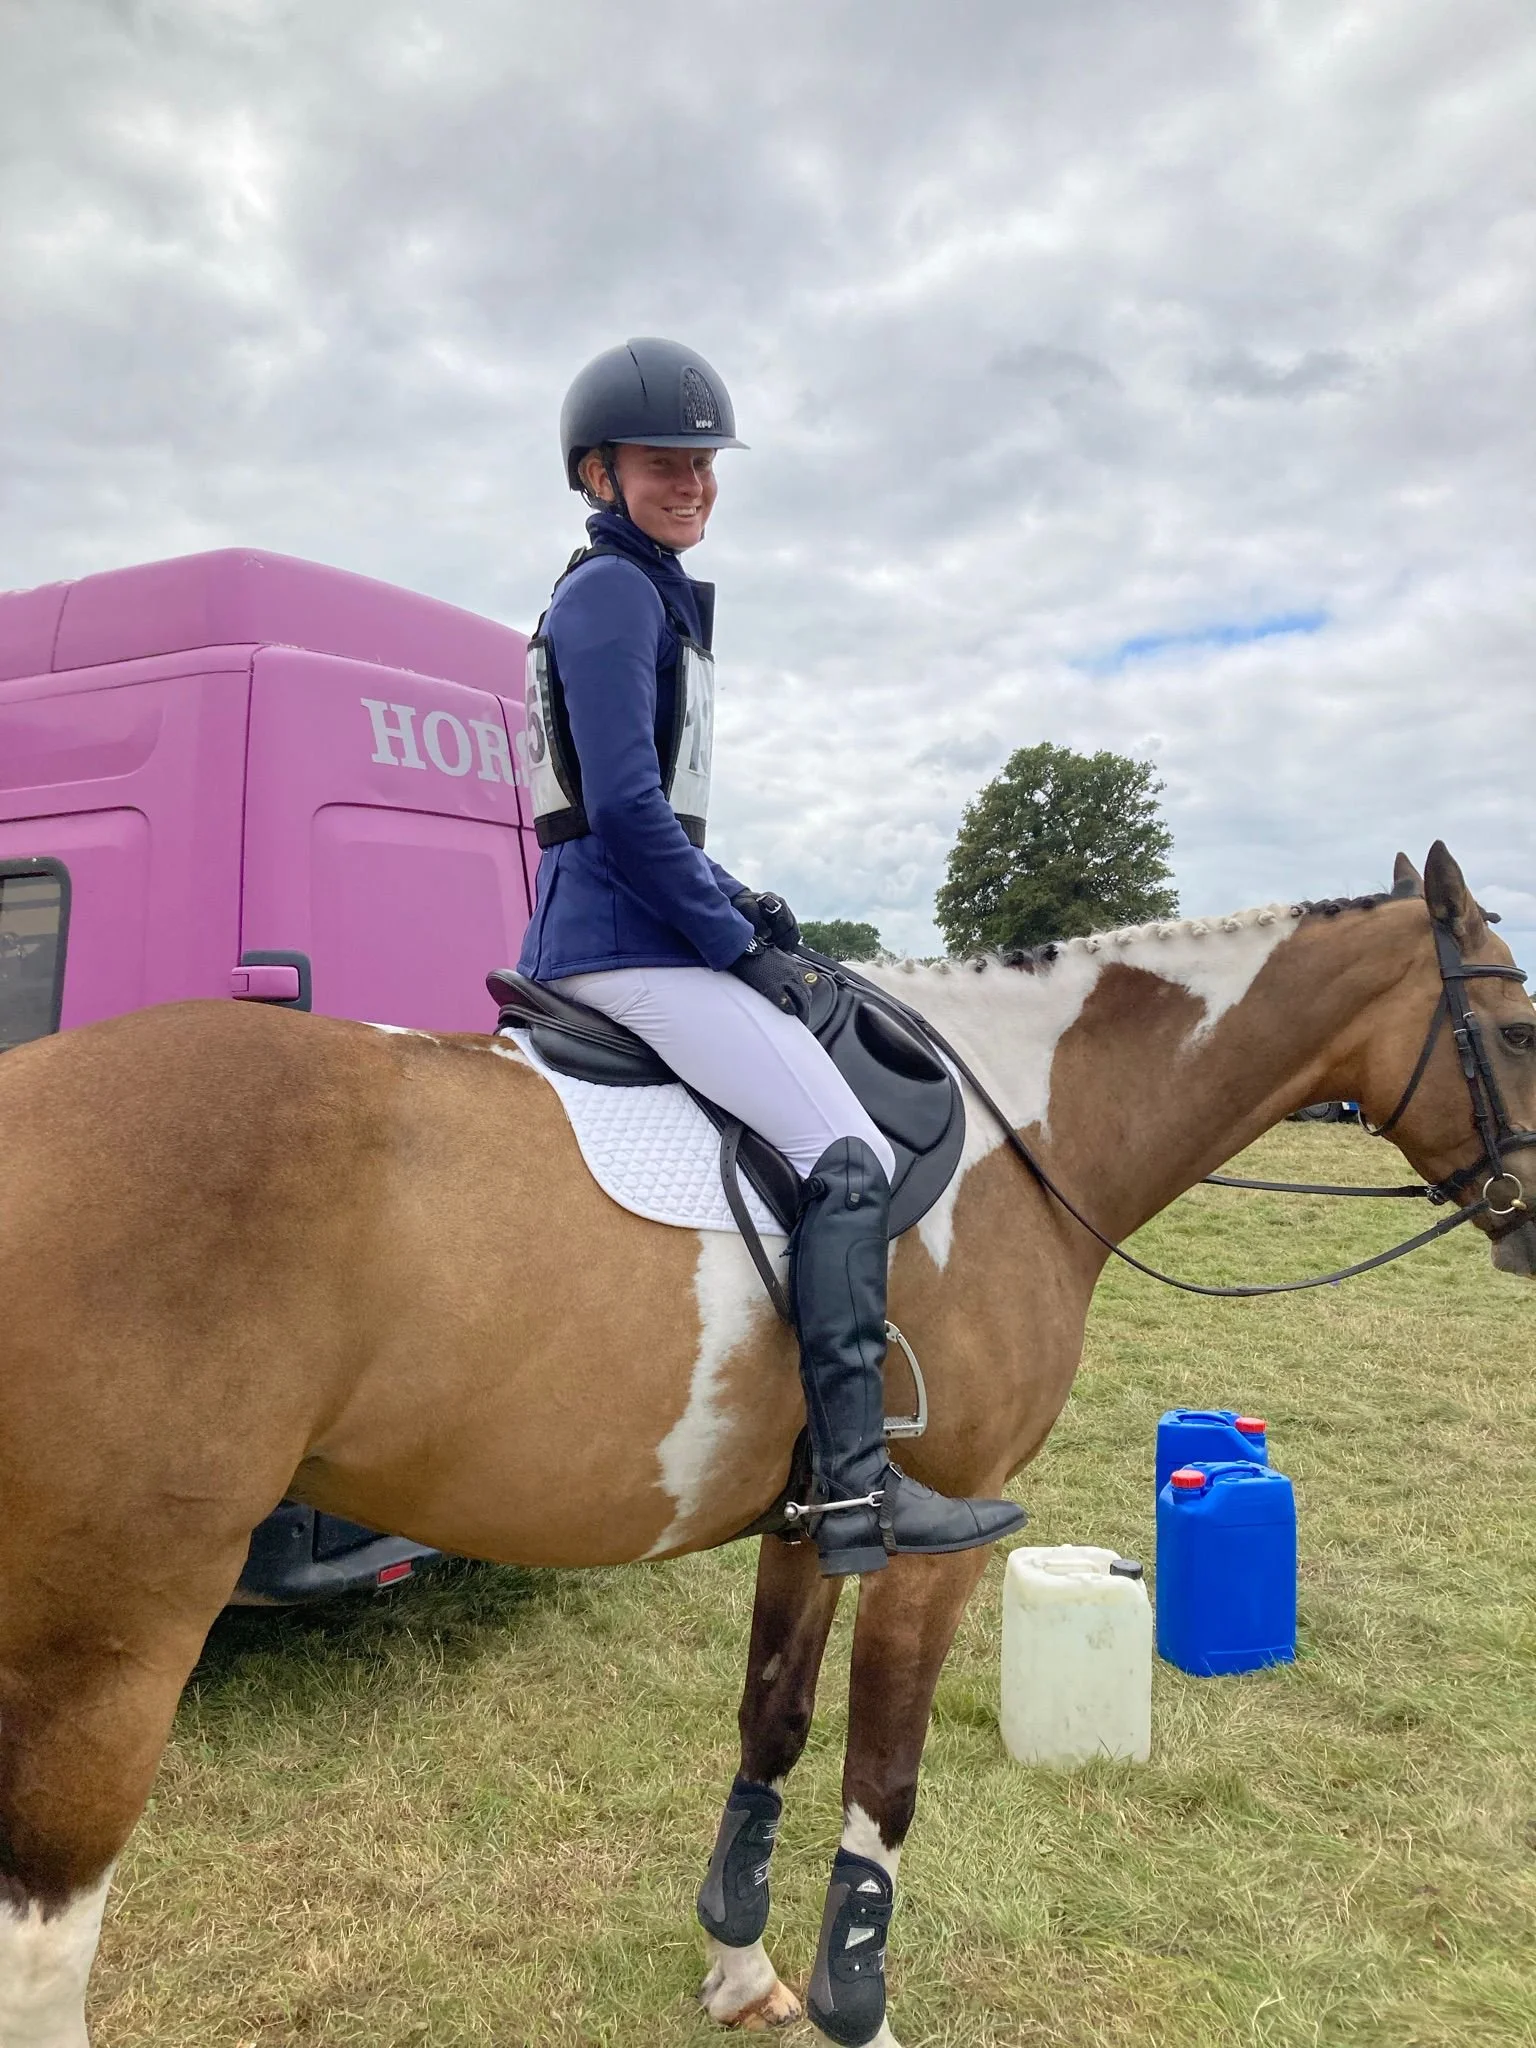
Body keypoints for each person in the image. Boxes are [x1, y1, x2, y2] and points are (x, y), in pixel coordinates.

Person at [518, 336, 1023, 1576]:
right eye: (661, 463)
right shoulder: (612, 595)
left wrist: (745, 898)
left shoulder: (639, 592)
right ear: (597, 473)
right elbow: (628, 820)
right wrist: (738, 942)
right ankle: (856, 1486)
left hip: (629, 925)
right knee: (842, 1153)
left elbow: (639, 813)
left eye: (702, 463)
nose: (690, 483)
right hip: (618, 947)